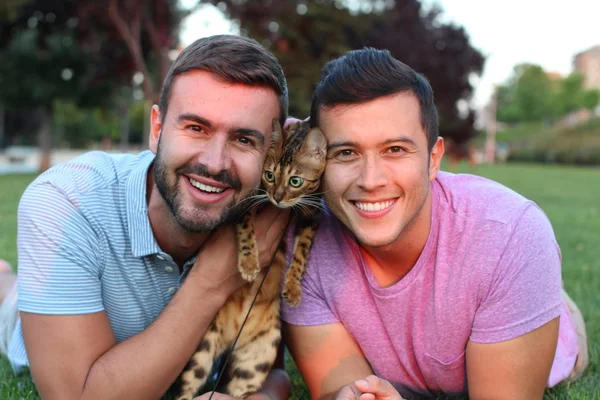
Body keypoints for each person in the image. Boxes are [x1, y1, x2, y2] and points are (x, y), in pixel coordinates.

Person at [281, 48, 588, 400]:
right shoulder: (303, 247)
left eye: (395, 149)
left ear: (433, 159)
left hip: (525, 309)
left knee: (518, 268)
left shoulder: (511, 235)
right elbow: (341, 389)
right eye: (345, 153)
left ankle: (547, 300)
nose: (370, 179)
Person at [0, 35, 293, 400]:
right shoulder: (67, 201)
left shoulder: (264, 217)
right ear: (156, 130)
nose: (215, 163)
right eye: (195, 128)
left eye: (244, 140)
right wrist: (211, 281)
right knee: (8, 298)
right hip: (38, 320)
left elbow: (271, 370)